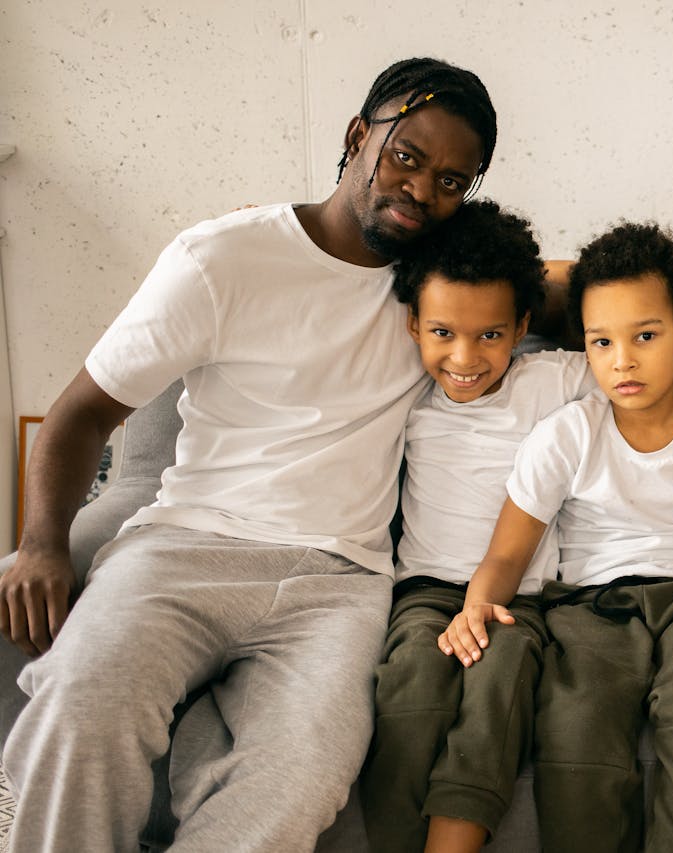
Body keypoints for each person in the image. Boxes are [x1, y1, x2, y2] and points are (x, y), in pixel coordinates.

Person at [0, 57, 498, 851]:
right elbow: (82, 411)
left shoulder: (444, 288)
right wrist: (40, 541)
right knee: (80, 701)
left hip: (338, 584)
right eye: (408, 156)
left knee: (301, 775)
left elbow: (601, 293)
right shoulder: (221, 257)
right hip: (186, 548)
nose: (422, 190)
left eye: (450, 180)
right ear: (358, 135)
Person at [359, 201, 673, 853]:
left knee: (500, 683)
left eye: (490, 334)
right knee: (411, 695)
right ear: (413, 327)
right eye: (443, 333)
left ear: (523, 326)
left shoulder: (554, 380)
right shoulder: (401, 386)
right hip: (424, 589)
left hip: (524, 598)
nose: (465, 356)